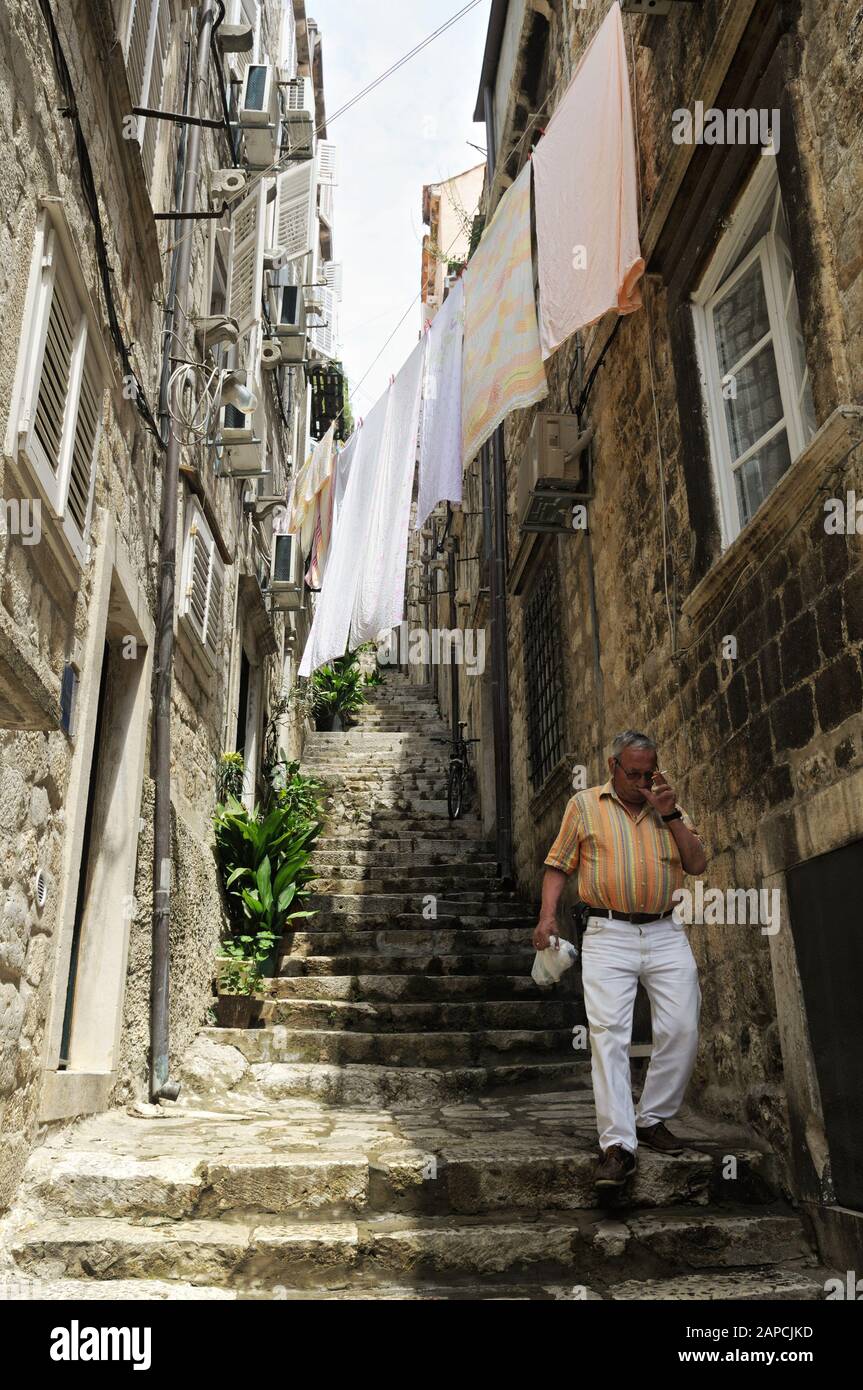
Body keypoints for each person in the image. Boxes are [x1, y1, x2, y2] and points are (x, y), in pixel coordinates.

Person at [533, 731, 707, 1188]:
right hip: (608, 933)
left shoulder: (670, 808)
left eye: (649, 772)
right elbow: (558, 865)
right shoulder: (585, 805)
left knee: (683, 1027)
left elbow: (698, 863)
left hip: (666, 930)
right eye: (634, 774)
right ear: (613, 767)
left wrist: (669, 813)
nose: (643, 781)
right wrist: (547, 916)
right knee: (609, 1035)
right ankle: (618, 1145)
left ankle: (651, 1118)